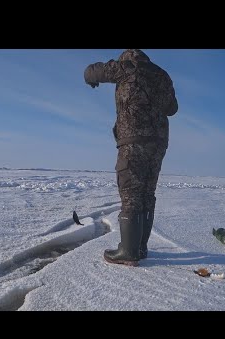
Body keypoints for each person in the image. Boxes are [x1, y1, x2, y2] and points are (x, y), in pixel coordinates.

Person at [84, 49, 178, 266]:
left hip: (133, 141)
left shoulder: (125, 67)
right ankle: (140, 247)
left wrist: (91, 80)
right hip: (158, 143)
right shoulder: (162, 75)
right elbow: (172, 108)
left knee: (131, 193)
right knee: (147, 192)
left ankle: (128, 251)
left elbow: (92, 72)